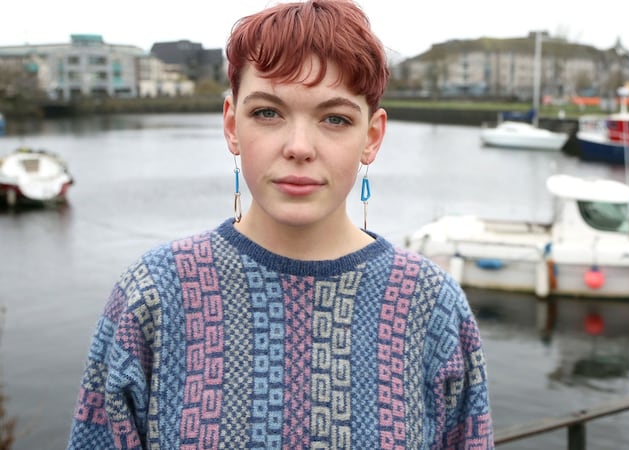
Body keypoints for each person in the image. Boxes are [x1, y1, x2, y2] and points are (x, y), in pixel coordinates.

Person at [66, 1, 494, 448]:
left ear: (372, 137)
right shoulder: (154, 294)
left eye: (335, 118)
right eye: (268, 113)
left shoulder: (431, 305)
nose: (299, 147)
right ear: (232, 124)